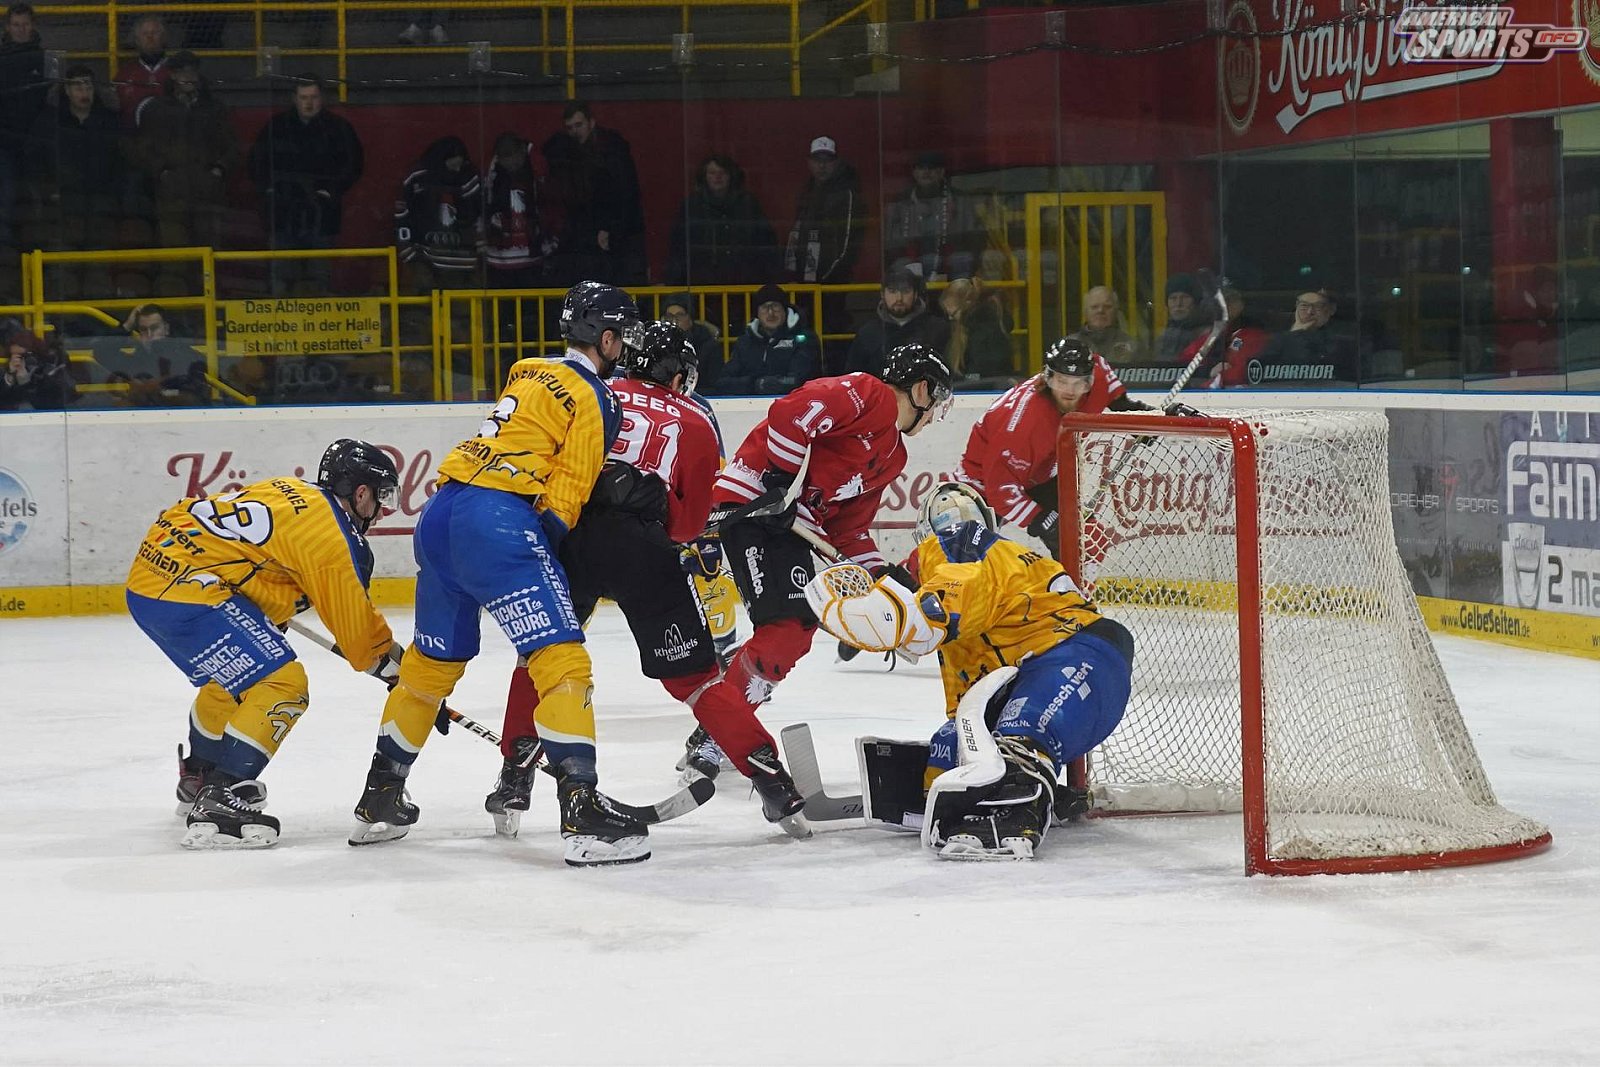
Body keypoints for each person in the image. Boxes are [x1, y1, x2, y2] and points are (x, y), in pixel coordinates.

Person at [356, 282, 647, 867]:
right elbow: (569, 489)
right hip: (498, 522)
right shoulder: (597, 396)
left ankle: (379, 798)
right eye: (622, 337)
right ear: (607, 338)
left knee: (428, 670)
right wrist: (541, 554)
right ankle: (582, 812)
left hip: (440, 514)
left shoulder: (527, 369)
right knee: (561, 660)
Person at [674, 344, 957, 834]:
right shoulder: (870, 394)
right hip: (754, 508)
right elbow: (791, 414)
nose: (934, 415)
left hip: (785, 527)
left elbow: (847, 531)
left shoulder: (893, 455)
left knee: (793, 634)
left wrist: (883, 578)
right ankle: (717, 732)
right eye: (936, 401)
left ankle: (721, 721)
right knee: (788, 628)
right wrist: (780, 482)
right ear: (920, 389)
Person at [486, 321, 733, 836]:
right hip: (643, 542)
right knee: (697, 665)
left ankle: (514, 775)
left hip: (567, 532)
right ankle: (747, 759)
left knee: (539, 656)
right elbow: (693, 511)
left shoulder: (592, 390)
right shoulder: (694, 413)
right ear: (678, 374)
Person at [804, 482, 1134, 860]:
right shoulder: (992, 555)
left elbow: (940, 610)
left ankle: (1017, 801)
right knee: (950, 748)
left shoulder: (961, 546)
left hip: (1081, 656)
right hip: (1040, 672)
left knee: (1021, 734)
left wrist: (890, 621)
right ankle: (1021, 784)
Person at [125, 439, 401, 849]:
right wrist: (404, 675)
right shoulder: (335, 539)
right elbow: (361, 639)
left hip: (149, 580)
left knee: (237, 681)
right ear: (361, 493)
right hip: (189, 593)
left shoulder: (293, 491)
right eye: (382, 497)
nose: (382, 510)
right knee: (283, 685)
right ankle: (222, 795)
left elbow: (246, 557)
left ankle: (200, 774)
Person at [956, 337, 1164, 556]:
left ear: (1090, 381)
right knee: (965, 549)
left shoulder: (1099, 372)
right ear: (1048, 377)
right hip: (981, 481)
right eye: (1062, 381)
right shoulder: (1025, 421)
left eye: (1078, 383)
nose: (1069, 391)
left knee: (1083, 541)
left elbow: (1121, 402)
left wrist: (1147, 419)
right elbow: (1000, 487)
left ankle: (1071, 580)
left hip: (1039, 474)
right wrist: (1041, 520)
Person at [247, 75, 365, 294]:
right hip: (283, 209)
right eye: (304, 97)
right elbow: (257, 163)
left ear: (322, 98)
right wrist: (271, 191)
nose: (309, 103)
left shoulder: (338, 128)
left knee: (319, 272)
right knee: (282, 272)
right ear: (294, 99)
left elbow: (353, 165)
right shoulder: (276, 127)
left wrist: (331, 191)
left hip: (321, 209)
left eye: (313, 97)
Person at [136, 52, 237, 254]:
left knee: (207, 256)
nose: (188, 77)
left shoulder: (215, 109)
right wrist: (163, 173)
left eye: (192, 71)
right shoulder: (156, 109)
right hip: (171, 197)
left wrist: (218, 170)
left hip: (208, 196)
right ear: (173, 75)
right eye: (182, 72)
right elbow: (143, 149)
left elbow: (232, 147)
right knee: (176, 258)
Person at [27, 65, 123, 275]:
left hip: (101, 201)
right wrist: (48, 189)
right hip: (62, 202)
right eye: (78, 87)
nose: (84, 92)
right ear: (67, 91)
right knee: (64, 265)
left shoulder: (109, 121)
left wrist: (112, 192)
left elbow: (121, 162)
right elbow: (34, 161)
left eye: (88, 87)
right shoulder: (50, 122)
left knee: (98, 263)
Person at [542, 101, 645, 285]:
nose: (575, 131)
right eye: (570, 127)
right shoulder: (580, 153)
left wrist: (610, 227)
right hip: (595, 237)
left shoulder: (611, 152)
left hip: (613, 235)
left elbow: (624, 195)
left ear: (591, 122)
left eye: (578, 125)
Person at [784, 135, 863, 373]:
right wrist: (794, 275)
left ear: (836, 162)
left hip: (834, 284)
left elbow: (849, 240)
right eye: (817, 160)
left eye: (827, 160)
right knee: (806, 333)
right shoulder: (807, 191)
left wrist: (829, 277)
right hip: (806, 283)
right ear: (809, 162)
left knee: (833, 333)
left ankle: (836, 375)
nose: (822, 165)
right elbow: (796, 234)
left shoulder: (847, 192)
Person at [665, 153, 778, 286]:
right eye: (712, 173)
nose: (717, 177)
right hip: (702, 284)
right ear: (704, 177)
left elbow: (765, 243)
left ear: (731, 176)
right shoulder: (692, 205)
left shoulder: (748, 204)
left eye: (723, 172)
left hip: (743, 283)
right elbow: (678, 247)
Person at [396, 134, 483, 291]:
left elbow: (478, 216)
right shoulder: (417, 177)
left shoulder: (470, 177)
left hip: (462, 262)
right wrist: (406, 249)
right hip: (424, 258)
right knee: (425, 303)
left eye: (460, 165)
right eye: (453, 165)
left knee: (461, 305)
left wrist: (478, 248)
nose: (457, 170)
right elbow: (402, 214)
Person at [883, 149, 980, 282]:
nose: (926, 172)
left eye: (931, 168)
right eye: (921, 168)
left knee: (962, 259)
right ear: (914, 173)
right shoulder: (901, 201)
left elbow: (973, 237)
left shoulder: (958, 199)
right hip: (912, 259)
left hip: (951, 258)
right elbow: (891, 242)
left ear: (941, 172)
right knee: (901, 264)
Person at [90, 303, 209, 406]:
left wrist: (161, 392)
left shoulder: (186, 356)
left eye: (154, 328)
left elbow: (198, 397)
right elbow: (101, 351)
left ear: (166, 329)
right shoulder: (135, 361)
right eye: (143, 330)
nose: (150, 335)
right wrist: (127, 326)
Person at [845, 266, 951, 378]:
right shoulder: (867, 333)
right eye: (892, 291)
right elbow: (853, 378)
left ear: (915, 294)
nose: (899, 298)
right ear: (882, 294)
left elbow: (947, 375)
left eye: (906, 291)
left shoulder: (937, 329)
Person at [0, 2, 47, 252]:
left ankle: (38, 249)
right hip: (5, 140)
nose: (20, 29)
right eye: (16, 25)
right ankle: (6, 253)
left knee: (38, 197)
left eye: (25, 24)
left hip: (38, 142)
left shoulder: (48, 58)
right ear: (7, 27)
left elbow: (54, 100)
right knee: (7, 195)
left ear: (33, 26)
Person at [717, 282, 819, 395]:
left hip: (797, 402)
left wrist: (765, 384)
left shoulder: (804, 339)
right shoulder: (745, 342)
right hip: (751, 403)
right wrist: (755, 384)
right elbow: (723, 382)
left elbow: (799, 381)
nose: (770, 313)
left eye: (775, 306)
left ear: (785, 310)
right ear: (757, 313)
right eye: (765, 307)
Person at [1254, 287, 1357, 384]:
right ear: (1296, 308)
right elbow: (1260, 373)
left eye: (1317, 306)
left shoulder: (1345, 339)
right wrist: (1295, 333)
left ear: (1331, 310)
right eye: (1304, 306)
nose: (1309, 312)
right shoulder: (1279, 338)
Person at [940, 276, 1013, 385]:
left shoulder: (985, 329)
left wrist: (965, 379)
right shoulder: (966, 329)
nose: (951, 319)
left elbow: (983, 369)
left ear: (967, 304)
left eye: (953, 314)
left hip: (991, 385)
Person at [1200, 286, 1270, 389]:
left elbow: (1240, 374)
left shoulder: (1253, 336)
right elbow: (1185, 365)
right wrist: (1207, 371)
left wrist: (1214, 375)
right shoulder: (1210, 334)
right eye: (1219, 302)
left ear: (1241, 305)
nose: (1224, 306)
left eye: (1229, 301)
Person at [0, 327, 76, 410]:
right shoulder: (8, 371)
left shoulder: (51, 369)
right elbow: (6, 403)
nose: (17, 361)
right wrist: (9, 379)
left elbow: (52, 403)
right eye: (13, 356)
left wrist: (26, 383)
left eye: (23, 356)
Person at [660, 291, 722, 391]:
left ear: (690, 319)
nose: (674, 321)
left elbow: (715, 385)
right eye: (669, 316)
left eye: (680, 315)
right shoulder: (659, 345)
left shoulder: (708, 346)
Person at [115, 14, 170, 128]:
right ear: (137, 40)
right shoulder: (124, 74)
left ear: (163, 38)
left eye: (154, 32)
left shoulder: (177, 72)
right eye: (145, 34)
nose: (150, 38)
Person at [1069, 285, 1141, 365]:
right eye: (1094, 307)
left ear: (1116, 310)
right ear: (1085, 311)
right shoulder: (1069, 345)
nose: (1100, 310)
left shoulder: (1132, 347)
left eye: (1107, 307)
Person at [1153, 273, 1211, 362]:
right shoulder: (1163, 336)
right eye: (1173, 298)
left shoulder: (1208, 336)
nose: (1178, 304)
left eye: (1185, 297)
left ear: (1196, 302)